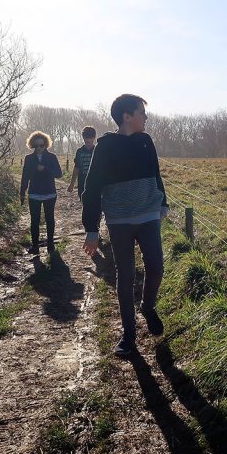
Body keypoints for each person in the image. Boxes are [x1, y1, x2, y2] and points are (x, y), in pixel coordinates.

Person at [82, 94, 167, 357]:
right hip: (119, 220)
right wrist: (92, 229)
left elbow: (155, 173)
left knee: (156, 266)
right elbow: (92, 188)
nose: (146, 117)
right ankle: (128, 336)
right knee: (126, 275)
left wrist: (162, 201)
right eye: (142, 112)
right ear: (126, 116)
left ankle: (148, 307)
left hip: (149, 217)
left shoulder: (146, 141)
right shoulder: (105, 146)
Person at [20, 130, 63, 254]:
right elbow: (25, 177)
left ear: (46, 145)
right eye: (36, 145)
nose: (39, 148)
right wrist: (22, 192)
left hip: (50, 193)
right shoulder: (29, 159)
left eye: (41, 145)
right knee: (35, 221)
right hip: (34, 194)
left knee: (50, 219)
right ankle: (35, 246)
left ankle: (50, 245)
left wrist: (45, 169)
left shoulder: (52, 157)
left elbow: (59, 174)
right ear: (32, 145)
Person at [67, 125, 97, 199]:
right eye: (86, 137)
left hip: (95, 183)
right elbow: (76, 168)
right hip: (82, 182)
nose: (88, 140)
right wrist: (72, 184)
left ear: (94, 138)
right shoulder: (79, 151)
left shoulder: (97, 151)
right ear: (83, 137)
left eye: (90, 138)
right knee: (83, 203)